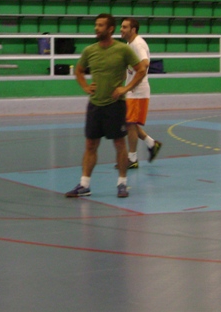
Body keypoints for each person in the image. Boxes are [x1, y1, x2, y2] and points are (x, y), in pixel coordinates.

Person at [65, 14, 147, 198]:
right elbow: (79, 70)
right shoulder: (90, 50)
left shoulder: (122, 50)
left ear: (110, 29)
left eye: (101, 25)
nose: (96, 28)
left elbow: (141, 69)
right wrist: (85, 87)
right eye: (96, 25)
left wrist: (125, 88)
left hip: (115, 106)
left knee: (119, 143)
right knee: (90, 144)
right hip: (95, 105)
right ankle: (84, 185)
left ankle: (122, 183)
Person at [119, 17, 162, 168]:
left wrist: (130, 86)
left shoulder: (138, 44)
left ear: (133, 30)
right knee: (128, 122)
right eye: (121, 26)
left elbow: (144, 65)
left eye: (124, 27)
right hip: (132, 90)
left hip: (138, 91)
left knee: (130, 124)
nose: (121, 29)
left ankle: (132, 159)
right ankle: (152, 144)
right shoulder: (129, 44)